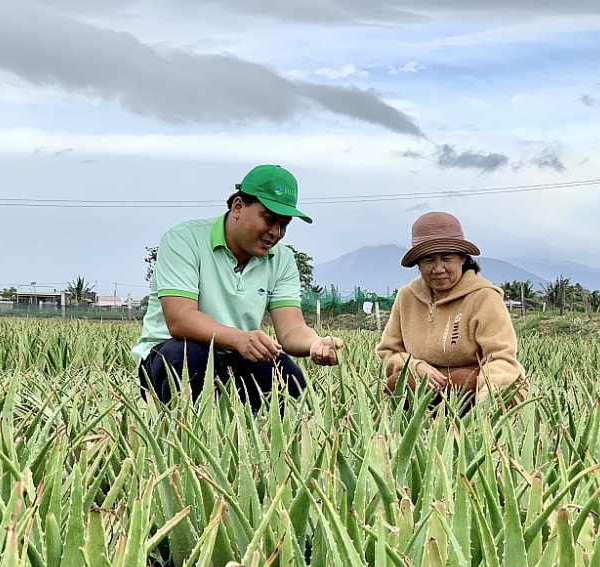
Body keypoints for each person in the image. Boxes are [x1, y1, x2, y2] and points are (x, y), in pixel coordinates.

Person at [132, 164, 343, 410]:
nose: (275, 232)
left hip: (239, 357)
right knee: (192, 358)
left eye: (284, 224)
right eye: (269, 219)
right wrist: (239, 339)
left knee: (291, 383)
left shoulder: (282, 258)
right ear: (238, 207)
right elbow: (180, 319)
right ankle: (179, 430)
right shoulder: (183, 240)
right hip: (173, 352)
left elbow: (291, 329)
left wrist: (314, 343)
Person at [376, 211, 526, 407]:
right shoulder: (407, 297)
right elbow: (389, 351)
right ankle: (419, 431)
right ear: (418, 264)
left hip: (474, 384)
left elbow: (501, 357)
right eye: (428, 260)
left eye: (446, 258)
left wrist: (489, 394)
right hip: (427, 384)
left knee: (460, 383)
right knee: (398, 383)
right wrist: (414, 366)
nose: (438, 269)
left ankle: (461, 431)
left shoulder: (484, 296)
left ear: (462, 258)